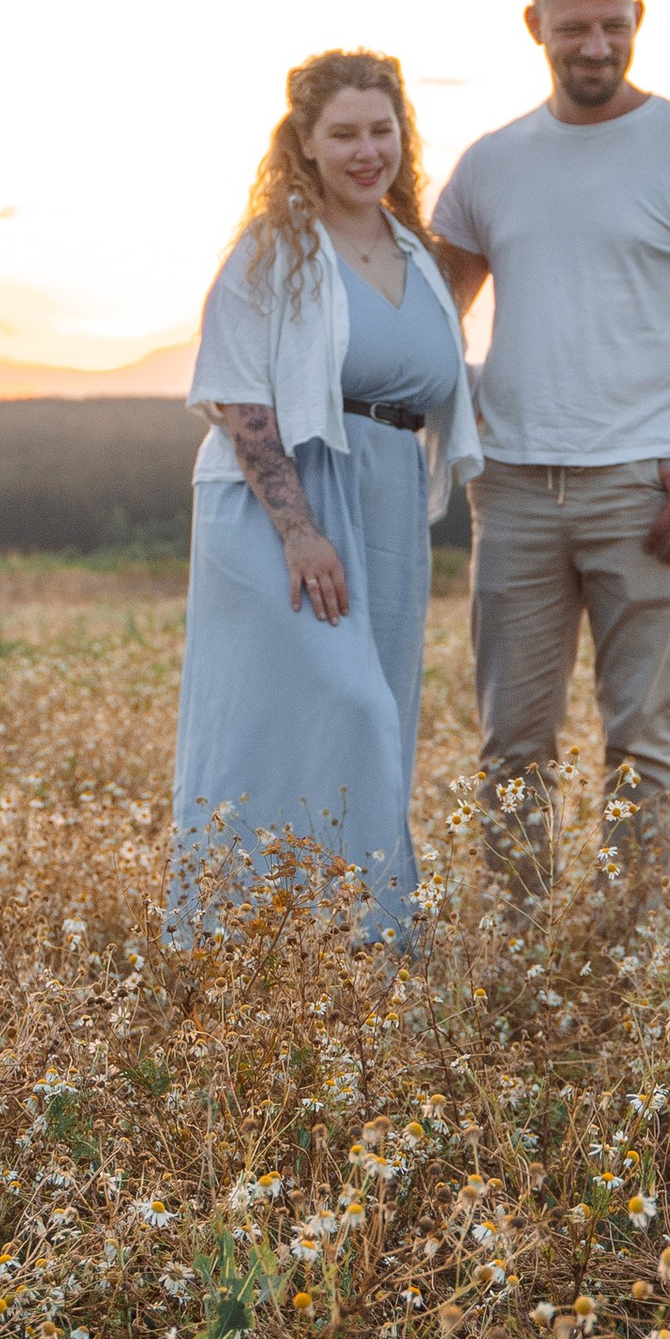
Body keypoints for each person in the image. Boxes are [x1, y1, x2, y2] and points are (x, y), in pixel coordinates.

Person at [432, 0, 670, 907]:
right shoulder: (490, 164)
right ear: (534, 25)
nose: (595, 46)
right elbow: (426, 320)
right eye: (574, 27)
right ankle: (518, 955)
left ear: (639, 21)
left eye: (614, 26)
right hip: (511, 490)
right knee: (512, 747)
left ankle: (628, 968)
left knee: (642, 743)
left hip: (645, 491)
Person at [166, 50, 479, 945]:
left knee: (377, 728)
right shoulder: (273, 252)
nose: (365, 149)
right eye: (342, 132)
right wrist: (299, 531)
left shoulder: (415, 251)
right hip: (282, 510)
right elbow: (237, 397)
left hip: (384, 499)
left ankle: (345, 950)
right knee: (335, 708)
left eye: (381, 129)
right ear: (304, 142)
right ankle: (246, 935)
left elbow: (431, 382)